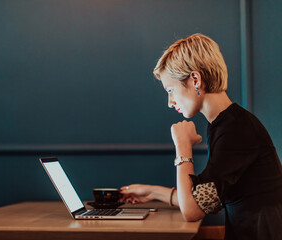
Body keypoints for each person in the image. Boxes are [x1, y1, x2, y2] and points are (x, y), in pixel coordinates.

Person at [119, 33, 282, 240]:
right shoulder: (227, 124)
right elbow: (204, 198)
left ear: (195, 79)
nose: (170, 102)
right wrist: (152, 192)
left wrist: (183, 146)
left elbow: (192, 210)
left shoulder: (235, 130)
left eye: (171, 90)